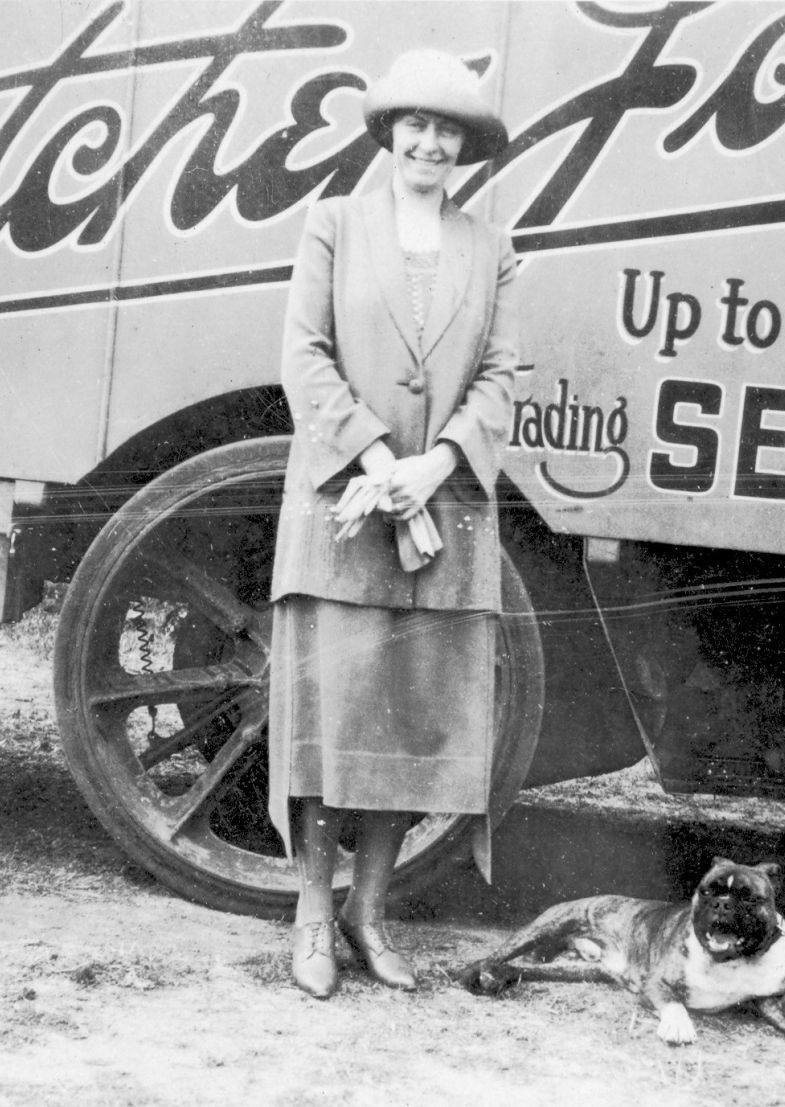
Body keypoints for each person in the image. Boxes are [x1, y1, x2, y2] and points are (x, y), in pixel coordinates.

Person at [268, 48, 518, 999]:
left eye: (447, 131)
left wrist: (437, 465)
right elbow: (305, 356)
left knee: (410, 725)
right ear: (387, 133)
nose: (429, 143)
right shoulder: (332, 225)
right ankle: (311, 923)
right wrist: (380, 462)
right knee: (330, 722)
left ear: (464, 147)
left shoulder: (488, 248)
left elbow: (501, 375)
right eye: (414, 125)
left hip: (440, 520)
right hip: (345, 511)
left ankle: (370, 917)